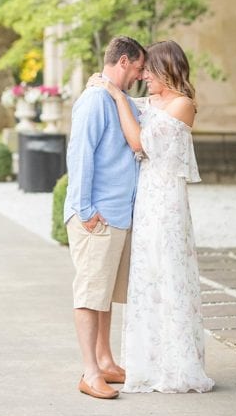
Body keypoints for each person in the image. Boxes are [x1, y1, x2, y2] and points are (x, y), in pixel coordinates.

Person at [88, 40, 214, 393]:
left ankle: (176, 366)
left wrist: (115, 95)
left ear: (166, 69)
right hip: (144, 200)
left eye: (148, 71)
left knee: (169, 273)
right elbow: (130, 107)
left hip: (167, 203)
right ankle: (148, 363)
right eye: (141, 71)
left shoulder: (182, 105)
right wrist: (103, 87)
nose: (143, 77)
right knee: (145, 277)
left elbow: (139, 142)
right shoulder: (153, 101)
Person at [64, 35, 146, 400]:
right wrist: (85, 210)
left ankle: (106, 360)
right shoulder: (95, 100)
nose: (141, 75)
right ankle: (90, 372)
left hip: (117, 214)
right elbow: (80, 154)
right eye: (140, 68)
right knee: (89, 294)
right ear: (124, 61)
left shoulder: (120, 98)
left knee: (106, 295)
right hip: (95, 216)